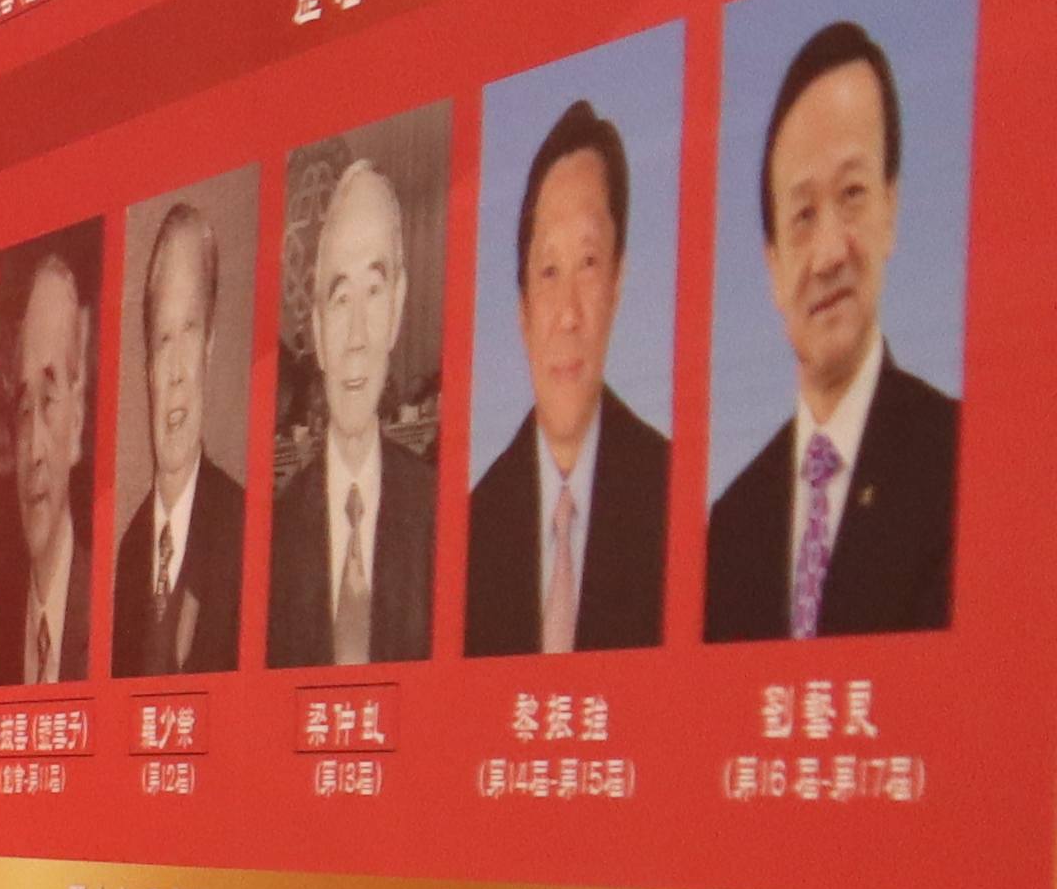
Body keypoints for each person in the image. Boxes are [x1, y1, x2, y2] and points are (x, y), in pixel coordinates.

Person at [706, 16, 962, 638]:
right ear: (772, 265)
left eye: (852, 194)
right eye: (802, 215)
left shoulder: (962, 464)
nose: (827, 254)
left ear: (890, 209)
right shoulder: (732, 524)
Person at [468, 101, 679, 654]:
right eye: (548, 271)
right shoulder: (473, 526)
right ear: (522, 310)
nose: (567, 314)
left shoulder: (674, 497)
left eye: (588, 263)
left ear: (617, 281)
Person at [267, 153, 435, 667]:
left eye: (374, 292)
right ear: (317, 330)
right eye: (341, 300)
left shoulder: (437, 513)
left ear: (398, 308)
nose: (357, 336)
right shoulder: (276, 532)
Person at [119, 195, 252, 671]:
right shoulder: (130, 553)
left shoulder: (244, 529)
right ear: (147, 367)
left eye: (190, 333)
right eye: (162, 340)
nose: (175, 371)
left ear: (209, 347)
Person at [0, 236, 103, 686]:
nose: (34, 449)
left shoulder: (108, 609)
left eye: (50, 400)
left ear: (76, 422)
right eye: (23, 409)